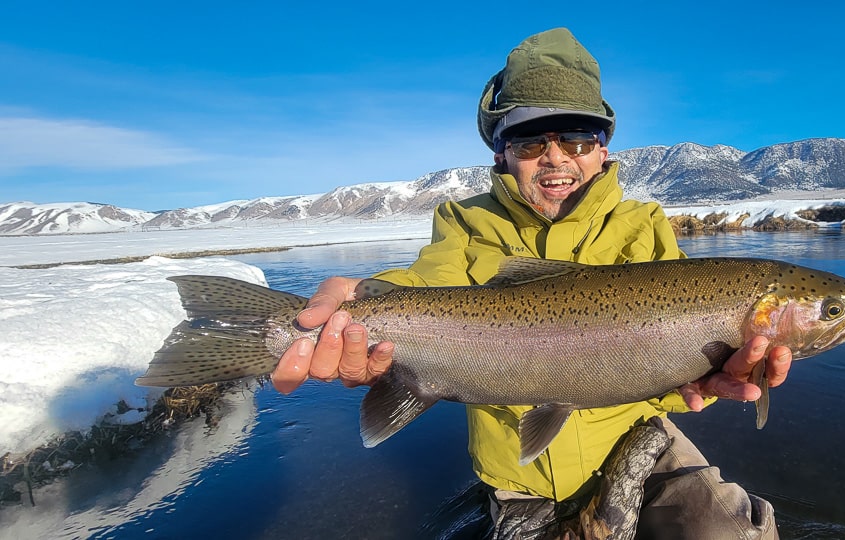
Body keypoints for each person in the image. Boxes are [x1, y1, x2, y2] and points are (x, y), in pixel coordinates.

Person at [269, 28, 792, 538]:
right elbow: (427, 280)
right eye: (528, 139)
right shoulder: (465, 223)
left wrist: (708, 382)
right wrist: (361, 304)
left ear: (603, 147)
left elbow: (678, 373)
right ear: (501, 152)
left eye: (577, 137)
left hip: (638, 441)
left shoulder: (644, 225)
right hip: (517, 476)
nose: (556, 155)